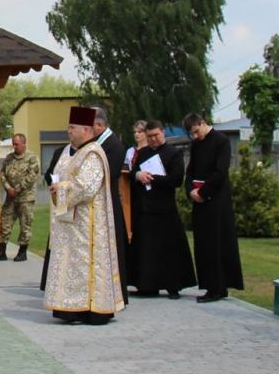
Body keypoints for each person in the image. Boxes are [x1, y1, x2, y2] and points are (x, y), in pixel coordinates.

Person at [43, 107, 126, 324]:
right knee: (70, 265)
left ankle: (91, 309)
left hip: (87, 226)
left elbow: (86, 187)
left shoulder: (93, 153)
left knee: (86, 266)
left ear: (86, 129)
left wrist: (61, 188)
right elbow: (57, 172)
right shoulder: (69, 151)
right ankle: (69, 308)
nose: (68, 131)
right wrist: (56, 184)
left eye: (72, 127)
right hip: (68, 222)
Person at [123, 120, 195, 298]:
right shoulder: (143, 153)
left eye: (156, 135)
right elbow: (131, 173)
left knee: (169, 249)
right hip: (144, 208)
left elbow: (176, 180)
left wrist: (153, 178)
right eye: (150, 137)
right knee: (146, 249)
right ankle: (146, 285)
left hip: (164, 208)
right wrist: (138, 174)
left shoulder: (173, 153)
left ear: (163, 133)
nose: (153, 139)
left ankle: (173, 285)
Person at [183, 113, 243, 303]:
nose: (195, 136)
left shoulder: (221, 141)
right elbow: (190, 170)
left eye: (196, 131)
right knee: (203, 244)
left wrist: (204, 192)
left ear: (202, 123)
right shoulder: (196, 145)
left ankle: (218, 286)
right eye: (191, 134)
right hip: (199, 199)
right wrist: (191, 189)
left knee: (217, 242)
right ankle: (209, 283)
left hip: (217, 199)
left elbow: (220, 171)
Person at [92, 108, 130, 289]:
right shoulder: (98, 143)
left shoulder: (113, 145)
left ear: (99, 125)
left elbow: (110, 172)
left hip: (108, 200)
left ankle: (115, 287)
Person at [0, 133, 39, 262]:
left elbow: (32, 176)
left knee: (25, 225)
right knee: (5, 222)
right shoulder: (9, 158)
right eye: (13, 144)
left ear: (23, 144)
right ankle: (1, 251)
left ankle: (22, 252)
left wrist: (17, 189)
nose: (14, 147)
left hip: (25, 198)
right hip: (11, 197)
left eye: (17, 144)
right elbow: (3, 174)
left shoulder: (31, 158)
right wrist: (8, 188)